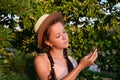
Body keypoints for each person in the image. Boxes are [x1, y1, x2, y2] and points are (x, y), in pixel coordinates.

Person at [34, 12, 98, 80]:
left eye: (64, 32)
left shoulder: (72, 61)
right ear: (48, 42)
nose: (64, 37)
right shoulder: (41, 60)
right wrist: (81, 66)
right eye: (58, 36)